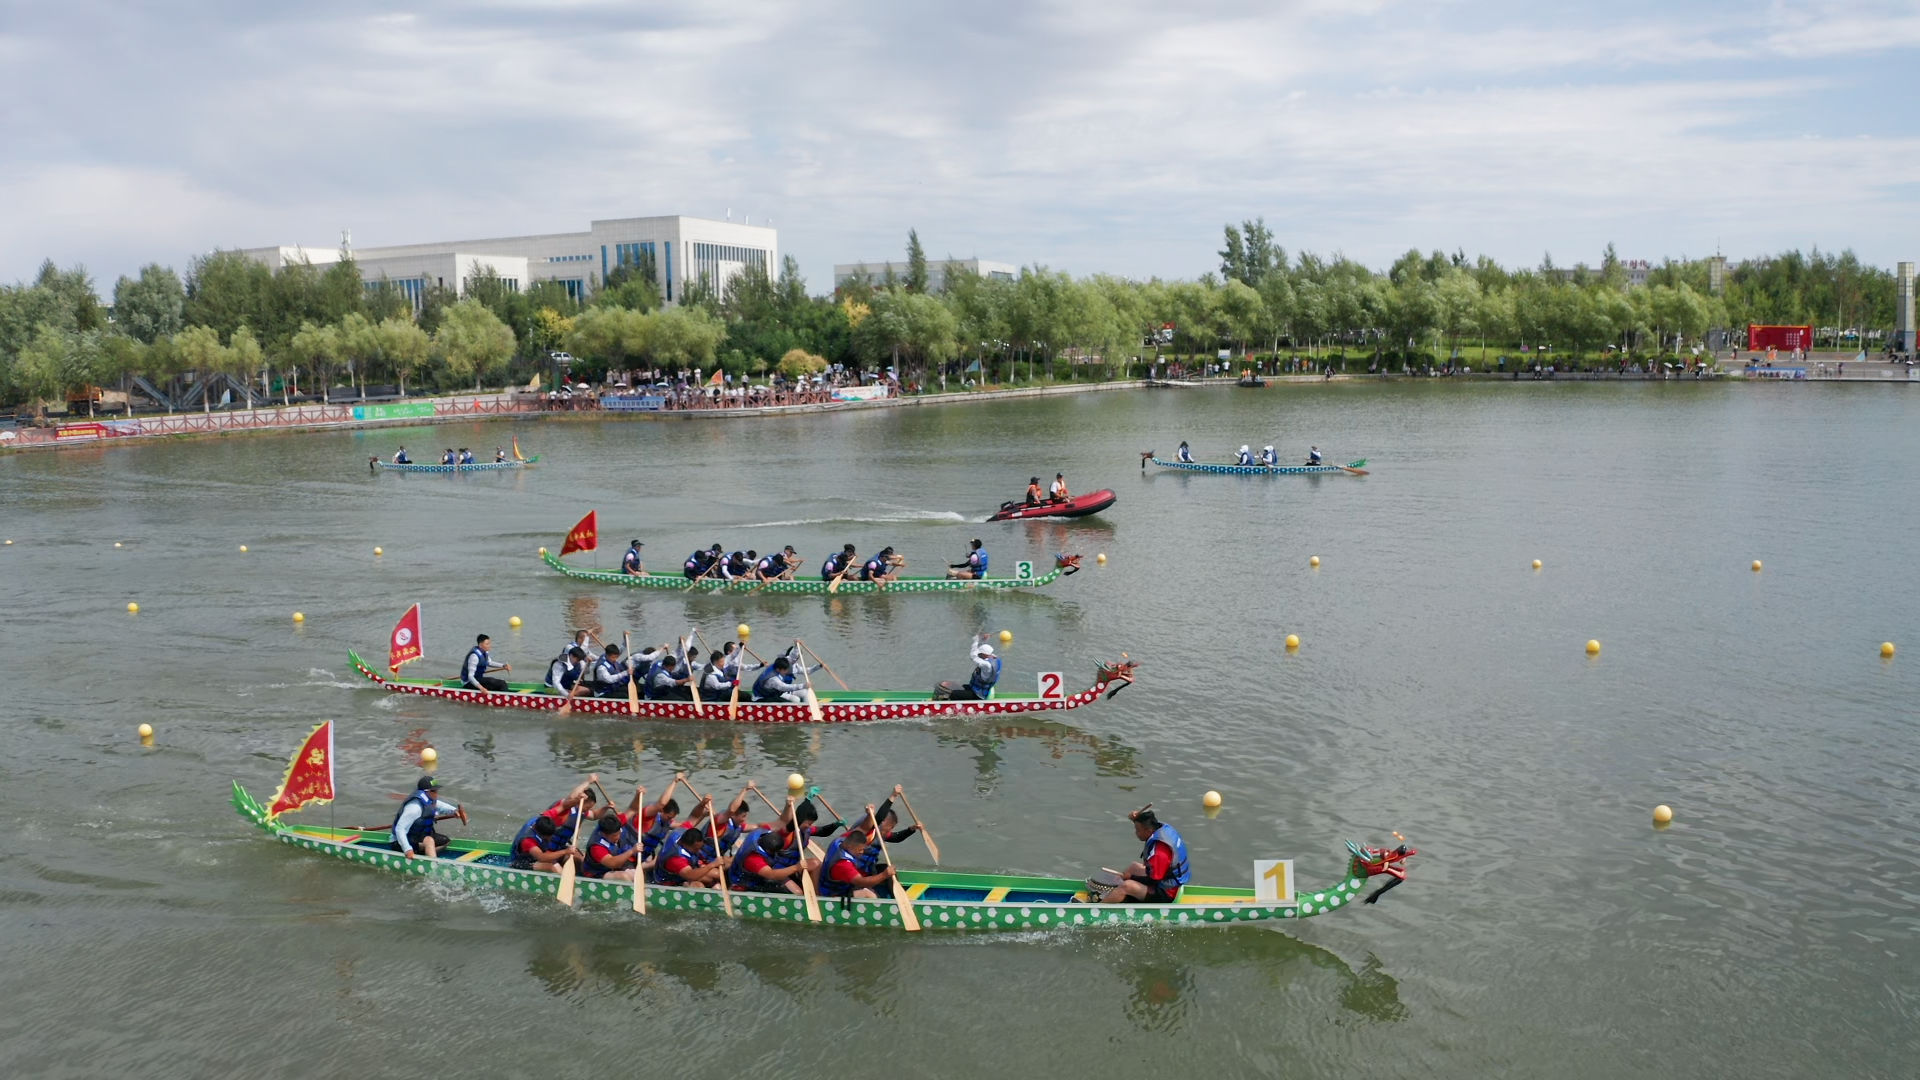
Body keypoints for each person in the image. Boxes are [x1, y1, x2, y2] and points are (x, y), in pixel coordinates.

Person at [1096, 805, 1191, 904]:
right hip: (1166, 880)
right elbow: (1143, 823)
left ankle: (1098, 907)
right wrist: (1133, 817)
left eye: (1138, 830)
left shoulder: (1159, 853)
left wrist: (1131, 877)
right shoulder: (1161, 828)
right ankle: (1115, 895)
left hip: (1167, 893)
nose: (1136, 833)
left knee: (1127, 886)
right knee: (1134, 867)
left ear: (1148, 831)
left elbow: (1153, 881)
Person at [392, 776, 465, 859]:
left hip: (418, 835)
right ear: (424, 792)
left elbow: (441, 806)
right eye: (433, 791)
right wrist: (407, 849)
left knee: (445, 841)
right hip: (399, 841)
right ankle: (433, 863)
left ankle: (425, 855)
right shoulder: (414, 807)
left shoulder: (429, 801)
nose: (436, 793)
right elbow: (400, 828)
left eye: (436, 790)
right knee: (429, 841)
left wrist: (454, 811)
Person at [818, 825, 896, 900]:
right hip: (834, 894)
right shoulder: (843, 864)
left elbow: (863, 827)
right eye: (859, 850)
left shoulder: (838, 841)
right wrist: (884, 875)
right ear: (850, 847)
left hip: (840, 883)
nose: (862, 852)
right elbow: (862, 882)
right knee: (868, 894)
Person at [582, 809, 645, 882]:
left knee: (635, 875)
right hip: (598, 874)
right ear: (604, 834)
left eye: (619, 833)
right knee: (623, 876)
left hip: (613, 865)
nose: (618, 837)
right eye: (614, 835)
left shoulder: (615, 824)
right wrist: (632, 851)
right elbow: (612, 863)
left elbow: (633, 809)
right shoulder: (597, 848)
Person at [937, 633, 1001, 700]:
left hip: (978, 695)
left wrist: (976, 640)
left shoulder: (986, 665)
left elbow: (973, 656)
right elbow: (984, 651)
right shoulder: (994, 658)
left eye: (980, 654)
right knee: (963, 687)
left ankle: (951, 704)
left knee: (954, 694)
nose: (978, 655)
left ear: (984, 655)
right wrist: (984, 640)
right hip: (977, 689)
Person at [752, 653, 819, 702]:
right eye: (784, 670)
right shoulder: (773, 679)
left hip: (778, 692)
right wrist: (803, 686)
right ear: (778, 669)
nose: (786, 672)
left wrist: (796, 645)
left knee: (805, 692)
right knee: (796, 700)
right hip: (763, 697)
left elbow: (793, 657)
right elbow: (784, 687)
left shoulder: (779, 665)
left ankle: (808, 709)